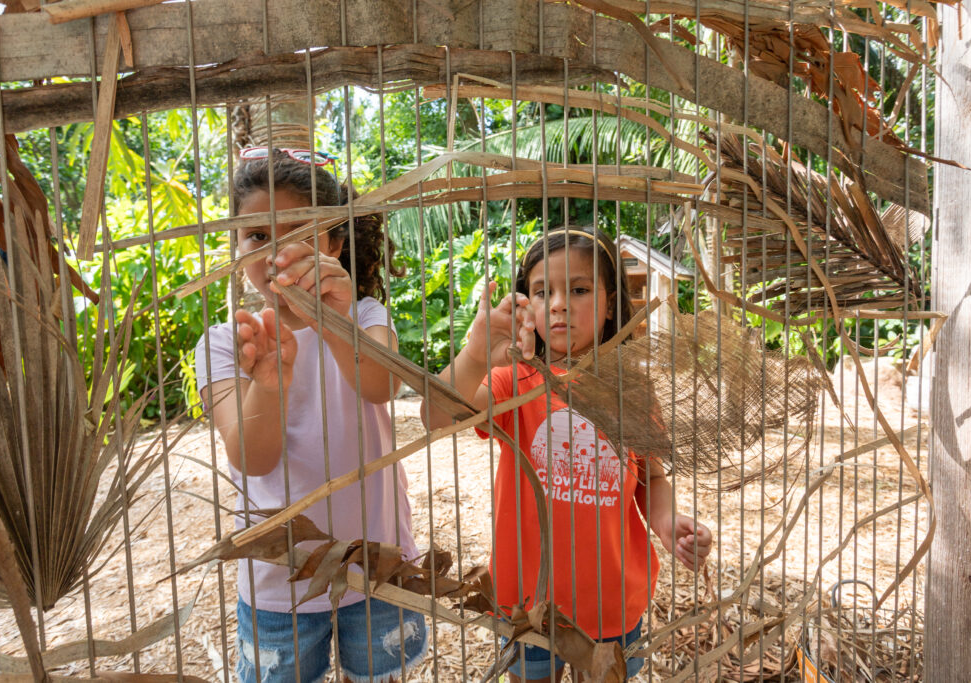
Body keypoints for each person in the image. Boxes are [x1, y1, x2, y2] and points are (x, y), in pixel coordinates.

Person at [422, 226, 713, 682]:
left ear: (611, 301)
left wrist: (668, 522)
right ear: (527, 305)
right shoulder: (514, 383)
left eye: (578, 289)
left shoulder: (631, 390)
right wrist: (477, 353)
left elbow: (651, 479)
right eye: (542, 292)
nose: (558, 304)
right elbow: (436, 415)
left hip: (614, 600)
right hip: (529, 603)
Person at [195, 148, 426, 683]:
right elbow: (252, 459)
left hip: (376, 566)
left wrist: (333, 320)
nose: (273, 249)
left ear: (334, 244)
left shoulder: (365, 315)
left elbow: (379, 385)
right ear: (236, 245)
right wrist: (270, 383)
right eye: (255, 235)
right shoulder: (227, 344)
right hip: (279, 581)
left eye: (296, 230)